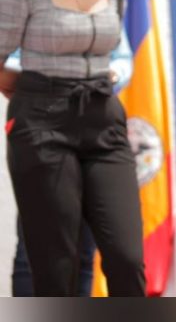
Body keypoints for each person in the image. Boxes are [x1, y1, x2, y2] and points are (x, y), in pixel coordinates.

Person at [0, 0, 146, 296]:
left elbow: (116, 44)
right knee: (55, 262)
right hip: (42, 122)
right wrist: (25, 84)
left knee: (126, 256)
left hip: (104, 116)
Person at [5, 35, 133, 297]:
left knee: (86, 251)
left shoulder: (104, 7)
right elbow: (9, 62)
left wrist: (108, 75)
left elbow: (123, 59)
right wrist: (52, 79)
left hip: (96, 122)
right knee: (39, 249)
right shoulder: (27, 9)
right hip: (43, 121)